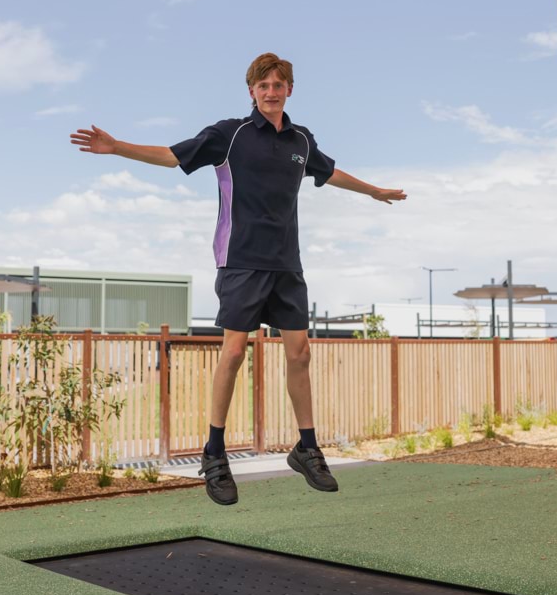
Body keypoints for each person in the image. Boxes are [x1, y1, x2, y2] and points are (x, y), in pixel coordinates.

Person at [70, 53, 406, 505]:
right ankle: (214, 452)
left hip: (287, 265)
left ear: (290, 89)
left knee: (300, 354)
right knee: (233, 352)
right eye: (263, 85)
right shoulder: (230, 135)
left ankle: (307, 448)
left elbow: (328, 172)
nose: (271, 91)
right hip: (240, 261)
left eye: (279, 84)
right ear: (251, 91)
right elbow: (172, 157)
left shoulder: (301, 140)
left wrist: (373, 191)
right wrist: (119, 147)